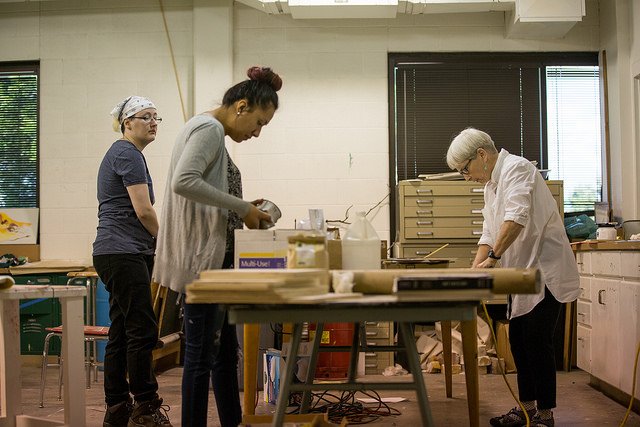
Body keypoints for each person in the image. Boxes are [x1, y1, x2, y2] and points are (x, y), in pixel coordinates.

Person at [153, 66, 282, 427]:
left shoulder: (210, 131)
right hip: (203, 265)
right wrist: (240, 207)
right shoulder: (209, 129)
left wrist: (240, 208)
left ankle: (233, 422)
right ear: (241, 106)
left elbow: (203, 193)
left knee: (225, 355)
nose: (256, 133)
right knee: (199, 358)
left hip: (216, 263)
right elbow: (184, 181)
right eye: (258, 123)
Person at [446, 128, 580, 427]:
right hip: (520, 273)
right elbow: (490, 231)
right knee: (518, 340)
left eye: (465, 170)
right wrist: (476, 268)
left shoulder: (519, 169)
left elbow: (516, 218)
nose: (466, 177)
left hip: (545, 270)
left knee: (537, 341)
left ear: (481, 155)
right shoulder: (491, 187)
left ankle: (545, 415)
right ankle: (526, 409)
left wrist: (493, 259)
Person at [93, 96, 172, 427]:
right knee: (142, 329)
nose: (154, 122)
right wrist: (167, 243)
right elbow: (143, 210)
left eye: (157, 117)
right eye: (146, 117)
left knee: (124, 329)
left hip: (116, 251)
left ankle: (117, 406)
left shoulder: (126, 153)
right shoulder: (127, 152)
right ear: (127, 123)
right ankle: (145, 406)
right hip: (123, 251)